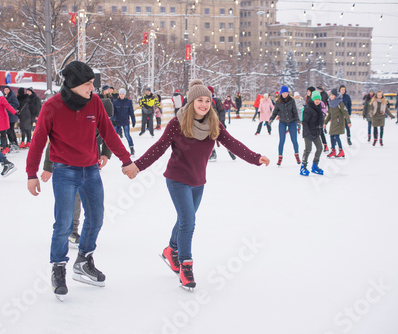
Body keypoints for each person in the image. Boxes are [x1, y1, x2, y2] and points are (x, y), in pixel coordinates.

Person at [121, 79, 270, 289]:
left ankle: (170, 250)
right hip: (177, 180)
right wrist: (137, 166)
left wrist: (255, 157)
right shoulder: (177, 124)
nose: (204, 104)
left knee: (184, 219)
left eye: (207, 101)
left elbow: (233, 144)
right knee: (188, 222)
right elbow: (159, 147)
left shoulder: (214, 125)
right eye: (199, 100)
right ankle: (186, 266)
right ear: (191, 102)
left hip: (198, 182)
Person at [25, 61, 133, 301]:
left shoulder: (94, 102)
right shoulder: (51, 107)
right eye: (87, 84)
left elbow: (108, 132)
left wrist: (126, 160)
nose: (91, 89)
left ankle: (84, 260)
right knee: (63, 223)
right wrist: (32, 173)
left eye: (92, 84)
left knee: (96, 219)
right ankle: (58, 268)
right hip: (64, 171)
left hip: (91, 171)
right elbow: (38, 141)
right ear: (73, 85)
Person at [269, 85, 300, 166]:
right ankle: (280, 158)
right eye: (283, 93)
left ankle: (297, 155)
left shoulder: (292, 100)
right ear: (281, 93)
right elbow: (275, 111)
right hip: (282, 122)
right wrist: (271, 119)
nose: (285, 94)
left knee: (294, 140)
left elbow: (295, 111)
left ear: (288, 93)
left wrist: (298, 121)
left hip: (292, 122)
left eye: (286, 93)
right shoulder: (278, 102)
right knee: (282, 140)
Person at [300, 91, 324, 176]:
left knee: (320, 148)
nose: (317, 101)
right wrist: (308, 134)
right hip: (308, 132)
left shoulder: (319, 108)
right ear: (313, 99)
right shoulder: (308, 108)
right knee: (308, 149)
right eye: (316, 99)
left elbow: (319, 121)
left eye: (318, 99)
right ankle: (303, 166)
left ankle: (315, 166)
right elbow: (305, 122)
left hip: (316, 132)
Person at [0, 83, 17, 155]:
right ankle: (6, 147)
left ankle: (3, 148)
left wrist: (15, 112)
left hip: (3, 118)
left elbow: (8, 106)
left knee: (3, 134)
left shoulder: (1, 98)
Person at [324, 89, 351, 158]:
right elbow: (329, 114)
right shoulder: (330, 103)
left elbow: (345, 112)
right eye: (331, 95)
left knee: (336, 136)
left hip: (339, 122)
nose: (331, 96)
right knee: (331, 136)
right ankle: (333, 150)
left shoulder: (339, 103)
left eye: (333, 95)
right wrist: (325, 123)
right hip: (333, 122)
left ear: (335, 96)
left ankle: (341, 151)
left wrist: (348, 122)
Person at [112, 88, 136, 155]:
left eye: (123, 94)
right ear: (119, 95)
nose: (121, 95)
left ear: (125, 95)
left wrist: (133, 120)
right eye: (120, 94)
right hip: (117, 121)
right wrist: (113, 120)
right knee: (114, 136)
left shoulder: (128, 102)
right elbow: (113, 112)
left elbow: (131, 112)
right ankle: (113, 149)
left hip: (125, 121)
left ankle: (132, 148)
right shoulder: (115, 102)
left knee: (127, 135)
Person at [306, 86, 328, 151]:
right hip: (311, 118)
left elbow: (322, 106)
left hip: (318, 117)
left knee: (320, 131)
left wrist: (322, 115)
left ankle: (325, 144)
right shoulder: (308, 99)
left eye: (309, 91)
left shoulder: (317, 99)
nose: (307, 93)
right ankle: (311, 146)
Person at [3, 85, 20, 152]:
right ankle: (14, 143)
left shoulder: (12, 95)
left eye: (7, 90)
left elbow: (16, 104)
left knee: (10, 130)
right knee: (11, 130)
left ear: (9, 90)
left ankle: (13, 143)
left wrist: (7, 105)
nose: (6, 91)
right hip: (8, 116)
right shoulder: (5, 96)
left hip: (12, 115)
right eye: (5, 90)